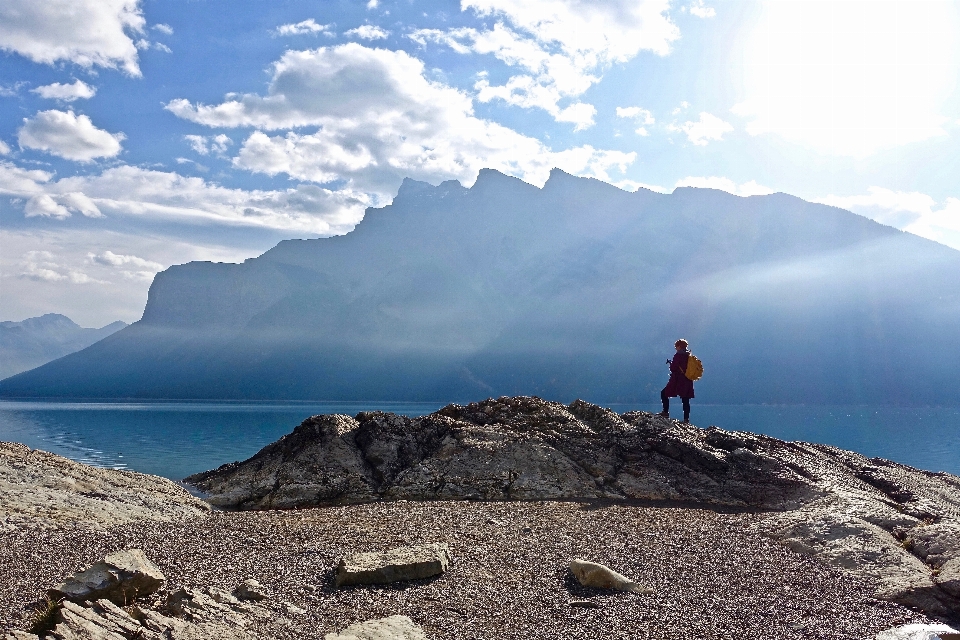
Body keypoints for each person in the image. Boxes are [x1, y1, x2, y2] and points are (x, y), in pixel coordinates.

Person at [660, 339, 694, 423]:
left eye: (676, 346)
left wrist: (671, 365)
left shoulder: (678, 355)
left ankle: (665, 412)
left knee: (664, 393)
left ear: (679, 346)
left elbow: (673, 368)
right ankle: (686, 419)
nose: (676, 348)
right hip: (687, 380)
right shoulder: (689, 356)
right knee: (685, 400)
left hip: (677, 380)